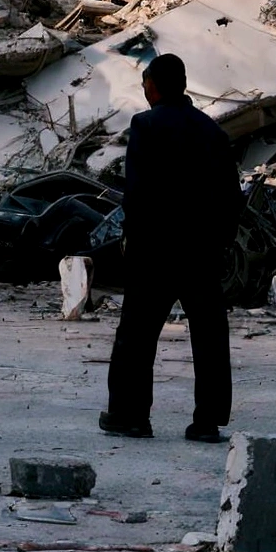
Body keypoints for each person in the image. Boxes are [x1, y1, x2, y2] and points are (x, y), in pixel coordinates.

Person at [100, 51, 241, 443]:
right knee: (209, 336)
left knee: (138, 334)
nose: (143, 89)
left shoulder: (145, 126)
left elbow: (138, 192)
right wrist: (220, 243)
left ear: (155, 87)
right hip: (202, 251)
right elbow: (232, 197)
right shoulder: (213, 133)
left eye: (145, 82)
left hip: (155, 250)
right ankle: (207, 421)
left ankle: (129, 415)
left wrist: (133, 236)